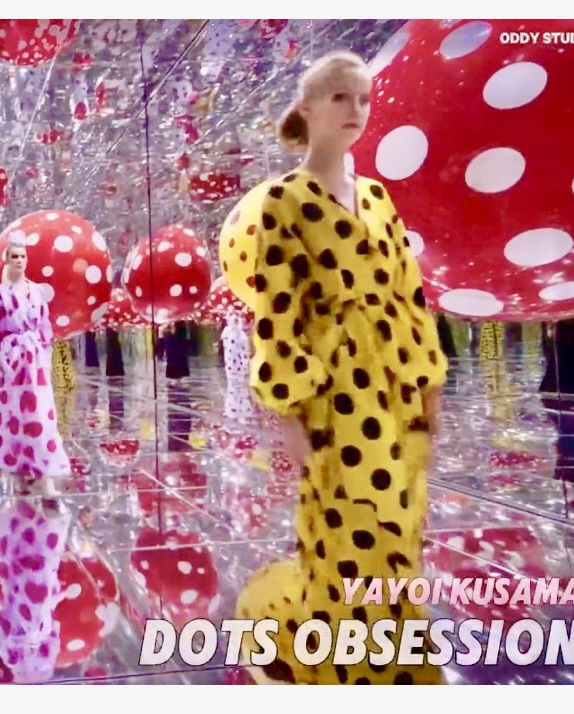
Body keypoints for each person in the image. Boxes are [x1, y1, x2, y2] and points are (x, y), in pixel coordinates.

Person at [232, 50, 448, 685]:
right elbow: (277, 309)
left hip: (397, 383)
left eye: (364, 98)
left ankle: (399, 660)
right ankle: (345, 667)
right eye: (340, 97)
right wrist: (288, 410)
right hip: (337, 391)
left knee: (403, 522)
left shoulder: (378, 197)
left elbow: (409, 291)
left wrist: (429, 379)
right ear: (307, 107)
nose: (357, 110)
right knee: (346, 527)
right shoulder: (282, 201)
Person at [0, 236, 71, 498]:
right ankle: (20, 473)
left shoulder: (36, 292)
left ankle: (44, 478)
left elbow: (44, 327)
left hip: (36, 361)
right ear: (7, 260)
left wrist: (46, 357)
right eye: (14, 256)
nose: (19, 261)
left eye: (22, 256)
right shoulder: (0, 295)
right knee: (14, 418)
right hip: (12, 361)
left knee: (41, 416)